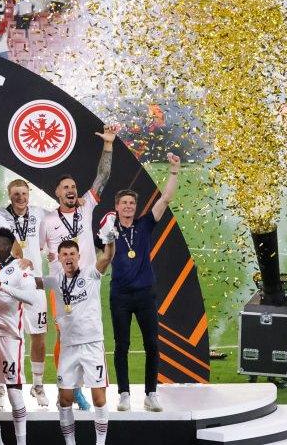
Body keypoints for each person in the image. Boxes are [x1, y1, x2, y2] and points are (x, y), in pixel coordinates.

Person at [41, 123, 120, 411]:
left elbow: (103, 176)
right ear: (57, 193)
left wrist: (108, 144)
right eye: (66, 188)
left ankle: (93, 386)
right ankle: (70, 388)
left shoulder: (86, 206)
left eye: (74, 187)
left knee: (91, 333)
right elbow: (36, 249)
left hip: (88, 281)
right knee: (65, 332)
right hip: (60, 285)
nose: (72, 191)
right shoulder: (47, 219)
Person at [103, 153, 182, 412]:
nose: (127, 207)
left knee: (152, 344)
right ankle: (124, 393)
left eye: (131, 203)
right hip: (120, 296)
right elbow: (99, 256)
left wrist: (174, 170)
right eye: (123, 203)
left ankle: (151, 393)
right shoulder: (109, 230)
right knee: (122, 345)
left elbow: (166, 198)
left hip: (145, 293)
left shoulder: (145, 224)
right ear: (117, 206)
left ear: (135, 207)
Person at [31, 239, 116, 445]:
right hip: (68, 347)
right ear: (59, 258)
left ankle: (101, 443)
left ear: (79, 256)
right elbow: (33, 282)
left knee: (99, 398)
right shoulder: (55, 280)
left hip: (92, 344)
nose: (68, 257)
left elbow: (107, 257)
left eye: (72, 254)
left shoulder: (91, 274)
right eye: (64, 254)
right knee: (65, 399)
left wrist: (110, 241)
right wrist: (18, 267)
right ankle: (70, 443)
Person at [0, 178, 50, 407]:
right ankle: (3, 384)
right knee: (5, 336)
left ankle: (37, 385)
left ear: (29, 193)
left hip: (35, 284)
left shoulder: (40, 213)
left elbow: (59, 224)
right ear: (9, 194)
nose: (20, 198)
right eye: (15, 194)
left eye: (23, 193)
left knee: (38, 334)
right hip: (9, 285)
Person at [0, 228, 40, 445]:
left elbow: (31, 297)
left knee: (14, 392)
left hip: (10, 337)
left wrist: (2, 286)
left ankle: (21, 442)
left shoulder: (19, 268)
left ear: (4, 247)